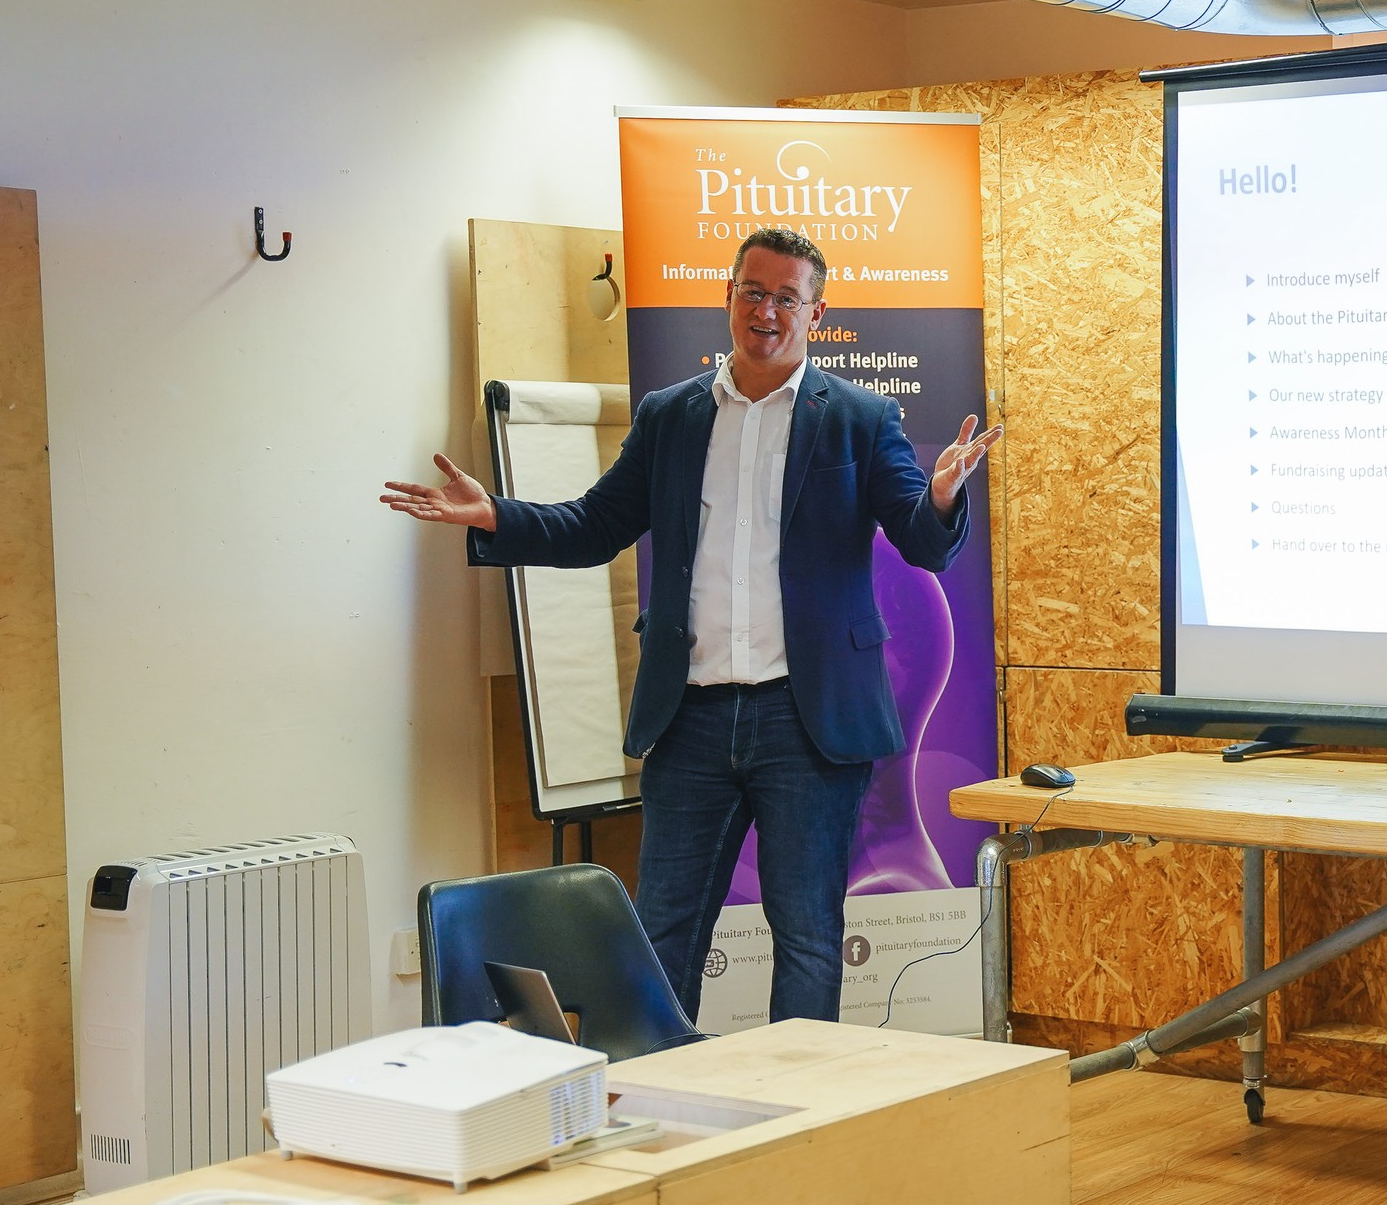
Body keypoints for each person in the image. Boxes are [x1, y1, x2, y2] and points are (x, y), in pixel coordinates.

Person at [381, 227, 1000, 1023]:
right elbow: (593, 524)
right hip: (693, 718)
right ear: (729, 295)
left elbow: (921, 542)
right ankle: (659, 1102)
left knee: (808, 934)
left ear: (817, 310)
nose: (766, 311)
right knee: (664, 931)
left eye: (786, 297)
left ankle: (796, 1118)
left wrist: (943, 496)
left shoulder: (858, 417)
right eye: (753, 291)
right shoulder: (671, 416)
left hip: (807, 723)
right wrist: (495, 513)